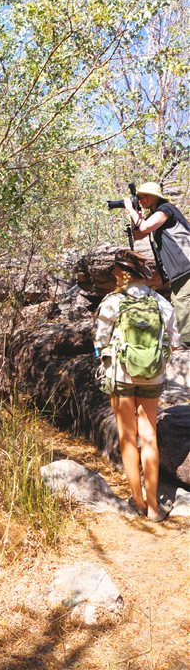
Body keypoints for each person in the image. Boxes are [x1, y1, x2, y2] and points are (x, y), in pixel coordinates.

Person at [94, 249, 180, 522]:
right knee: (149, 436)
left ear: (123, 273)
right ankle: (154, 506)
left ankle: (138, 501)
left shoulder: (113, 302)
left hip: (121, 376)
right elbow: (174, 342)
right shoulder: (161, 303)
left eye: (115, 271)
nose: (113, 275)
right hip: (152, 376)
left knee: (128, 437)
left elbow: (100, 341)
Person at [123, 182, 190, 347]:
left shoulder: (166, 209)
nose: (141, 199)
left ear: (154, 197)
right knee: (179, 298)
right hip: (178, 267)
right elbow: (138, 234)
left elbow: (145, 227)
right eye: (139, 197)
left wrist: (130, 209)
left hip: (185, 262)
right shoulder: (154, 214)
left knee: (181, 299)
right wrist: (135, 213)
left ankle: (186, 341)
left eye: (143, 196)